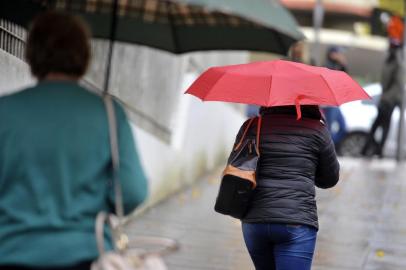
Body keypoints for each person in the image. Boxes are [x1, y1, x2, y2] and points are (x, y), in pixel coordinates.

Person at [0, 12, 148, 270]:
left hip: (11, 251)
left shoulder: (5, 110)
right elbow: (133, 191)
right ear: (84, 56)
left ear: (32, 53)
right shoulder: (109, 113)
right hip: (85, 254)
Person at [237, 105, 340, 270]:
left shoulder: (252, 126)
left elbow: (237, 169)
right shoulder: (318, 130)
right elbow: (330, 179)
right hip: (296, 221)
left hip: (254, 220)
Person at [361, 16, 404, 158]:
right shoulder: (391, 61)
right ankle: (374, 150)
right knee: (379, 125)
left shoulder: (394, 61)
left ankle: (375, 150)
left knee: (381, 125)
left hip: (388, 100)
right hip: (387, 99)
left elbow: (396, 81)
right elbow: (389, 81)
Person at [322, 46, 348, 147]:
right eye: (337, 53)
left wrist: (343, 65)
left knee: (343, 127)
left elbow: (344, 79)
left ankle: (330, 146)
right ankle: (327, 148)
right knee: (328, 129)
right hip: (328, 104)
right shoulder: (327, 65)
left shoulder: (337, 65)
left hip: (335, 102)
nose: (339, 56)